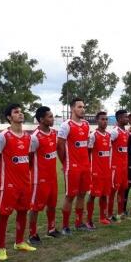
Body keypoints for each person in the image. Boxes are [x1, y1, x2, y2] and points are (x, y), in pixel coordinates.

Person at [0, 104, 37, 261]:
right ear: (9, 117)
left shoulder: (29, 137)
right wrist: (5, 174)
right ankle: (1, 247)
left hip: (25, 182)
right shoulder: (3, 136)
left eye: (21, 111)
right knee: (4, 214)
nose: (20, 114)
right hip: (8, 184)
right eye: (16, 112)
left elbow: (30, 158)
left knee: (23, 211)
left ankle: (19, 242)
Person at [57, 98, 91, 234]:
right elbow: (59, 145)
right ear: (72, 109)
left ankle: (79, 222)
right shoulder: (66, 125)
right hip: (72, 167)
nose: (82, 109)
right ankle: (65, 226)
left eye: (83, 107)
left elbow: (86, 145)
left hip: (85, 166)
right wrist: (65, 162)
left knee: (82, 194)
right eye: (79, 107)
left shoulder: (86, 124)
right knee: (70, 196)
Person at [28, 106, 60, 243]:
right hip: (39, 179)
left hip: (52, 176)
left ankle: (51, 229)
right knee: (35, 207)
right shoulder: (34, 137)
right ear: (41, 119)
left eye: (52, 116)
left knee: (52, 204)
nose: (52, 119)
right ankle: (32, 234)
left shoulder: (54, 133)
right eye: (50, 116)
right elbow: (29, 158)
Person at [86, 111, 112, 228]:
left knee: (104, 194)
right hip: (96, 170)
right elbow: (88, 153)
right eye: (102, 119)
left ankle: (102, 217)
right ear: (97, 121)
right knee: (92, 195)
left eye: (106, 119)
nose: (105, 121)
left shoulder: (108, 135)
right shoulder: (93, 135)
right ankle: (89, 220)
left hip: (106, 170)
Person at [108, 109, 130, 222]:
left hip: (124, 166)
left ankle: (120, 213)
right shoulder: (114, 132)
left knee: (122, 189)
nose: (127, 119)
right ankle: (109, 214)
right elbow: (107, 146)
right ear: (119, 119)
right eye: (125, 117)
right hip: (115, 167)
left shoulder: (126, 132)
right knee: (113, 191)